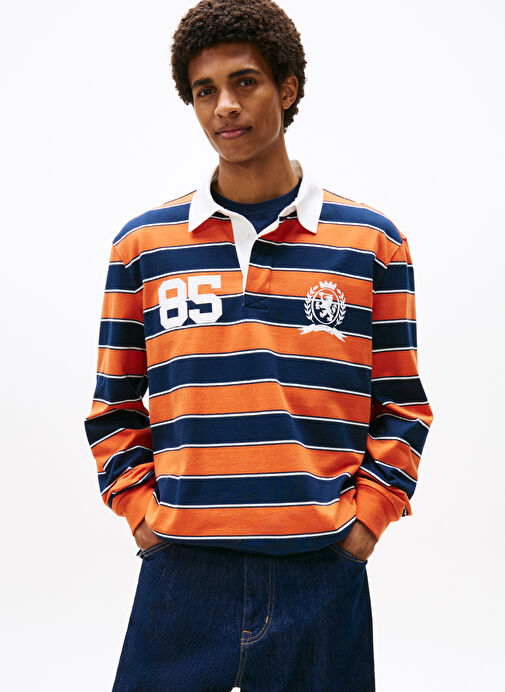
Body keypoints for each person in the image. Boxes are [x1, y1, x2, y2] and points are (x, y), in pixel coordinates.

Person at [84, 1, 434, 690]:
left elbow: (401, 406)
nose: (224, 106)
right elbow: (113, 406)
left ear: (288, 87)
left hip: (321, 573)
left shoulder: (372, 242)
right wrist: (141, 513)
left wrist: (364, 525)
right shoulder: (143, 246)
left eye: (244, 82)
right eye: (204, 90)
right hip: (181, 575)